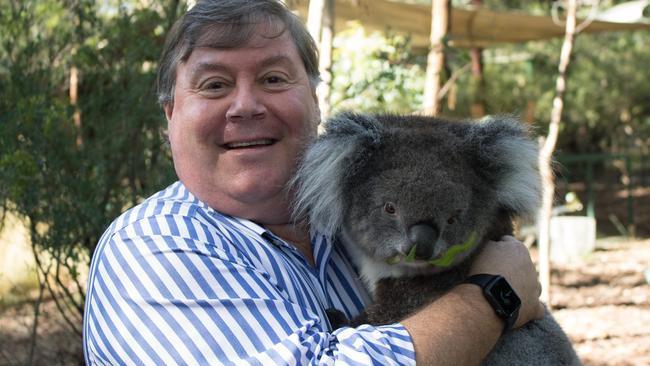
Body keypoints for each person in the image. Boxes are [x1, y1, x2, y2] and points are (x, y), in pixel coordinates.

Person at [82, 0, 545, 364]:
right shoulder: (156, 247)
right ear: (171, 115)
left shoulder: (353, 211)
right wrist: (493, 296)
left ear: (316, 102)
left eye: (273, 77)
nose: (246, 106)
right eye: (214, 85)